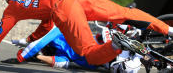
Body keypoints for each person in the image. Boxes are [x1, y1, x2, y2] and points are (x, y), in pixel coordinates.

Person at [0, 0, 173, 65]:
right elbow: (46, 25)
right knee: (124, 13)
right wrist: (31, 39)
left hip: (64, 8)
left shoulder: (13, 6)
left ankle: (116, 45)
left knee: (89, 54)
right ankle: (169, 30)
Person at [14, 24, 142, 72]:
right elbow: (59, 62)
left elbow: (59, 63)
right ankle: (127, 33)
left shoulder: (60, 47)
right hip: (97, 47)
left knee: (126, 65)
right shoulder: (58, 33)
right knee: (108, 36)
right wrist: (36, 55)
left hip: (96, 56)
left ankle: (125, 36)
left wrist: (37, 56)